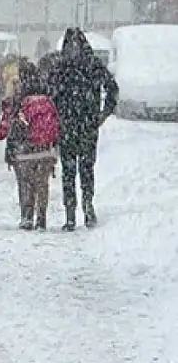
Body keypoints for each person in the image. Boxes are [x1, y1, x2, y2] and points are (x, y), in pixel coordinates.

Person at [48, 27, 119, 230]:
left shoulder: (62, 67)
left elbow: (50, 95)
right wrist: (102, 114)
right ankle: (82, 209)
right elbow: (112, 88)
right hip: (83, 125)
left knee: (73, 171)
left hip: (72, 126)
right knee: (81, 170)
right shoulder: (91, 64)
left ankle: (75, 212)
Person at [0, 62, 61, 230]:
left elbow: (2, 131)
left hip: (24, 151)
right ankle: (41, 218)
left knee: (25, 183)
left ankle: (27, 217)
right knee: (42, 184)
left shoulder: (16, 100)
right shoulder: (48, 97)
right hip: (45, 149)